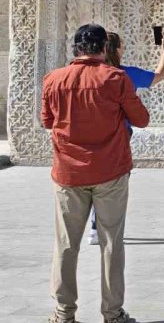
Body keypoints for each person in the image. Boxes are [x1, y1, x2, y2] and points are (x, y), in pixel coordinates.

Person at [42, 23, 149, 323]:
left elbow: (47, 120)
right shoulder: (116, 79)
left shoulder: (54, 79)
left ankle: (64, 313)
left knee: (66, 243)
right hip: (111, 172)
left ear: (76, 49)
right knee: (111, 243)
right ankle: (112, 314)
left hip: (68, 173)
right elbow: (141, 119)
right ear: (105, 49)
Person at [86, 31, 164, 245]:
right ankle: (105, 226)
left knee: (97, 178)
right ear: (114, 49)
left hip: (94, 132)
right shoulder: (125, 74)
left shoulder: (92, 73)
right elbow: (157, 76)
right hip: (120, 134)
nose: (125, 47)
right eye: (122, 44)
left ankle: (95, 227)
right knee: (116, 180)